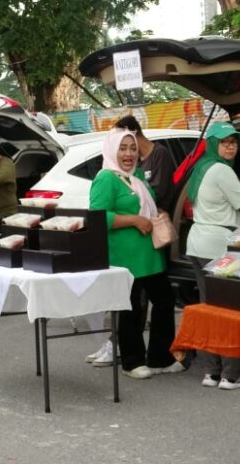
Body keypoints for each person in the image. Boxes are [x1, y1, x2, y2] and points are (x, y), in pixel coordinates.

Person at [186, 121, 240, 390]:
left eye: (234, 142)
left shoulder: (200, 167)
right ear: (213, 144)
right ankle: (230, 374)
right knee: (229, 310)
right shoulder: (221, 170)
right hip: (219, 246)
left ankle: (210, 372)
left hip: (198, 243)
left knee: (209, 308)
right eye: (224, 142)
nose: (231, 146)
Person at [89, 128, 183, 379]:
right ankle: (132, 362)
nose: (129, 154)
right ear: (111, 150)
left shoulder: (136, 176)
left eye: (132, 148)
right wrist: (132, 220)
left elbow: (147, 204)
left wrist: (158, 214)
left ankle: (160, 357)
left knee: (164, 302)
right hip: (125, 257)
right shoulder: (106, 178)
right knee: (131, 309)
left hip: (150, 255)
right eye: (122, 148)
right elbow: (97, 218)